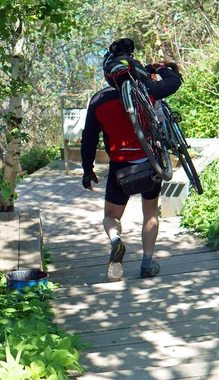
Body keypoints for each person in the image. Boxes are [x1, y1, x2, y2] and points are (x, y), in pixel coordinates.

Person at [80, 38, 183, 282]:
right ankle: (147, 263)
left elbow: (88, 140)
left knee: (111, 217)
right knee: (150, 214)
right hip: (150, 162)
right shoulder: (147, 91)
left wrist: (87, 170)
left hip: (120, 169)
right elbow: (174, 82)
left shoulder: (98, 101)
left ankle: (116, 240)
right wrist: (158, 68)